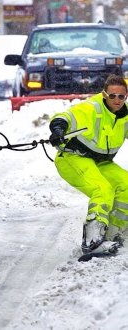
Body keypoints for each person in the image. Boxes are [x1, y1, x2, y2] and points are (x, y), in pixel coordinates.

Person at [49, 74, 128, 254]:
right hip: (73, 157)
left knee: (126, 184)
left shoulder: (125, 115)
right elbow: (65, 117)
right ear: (104, 95)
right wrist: (58, 129)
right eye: (112, 96)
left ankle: (113, 234)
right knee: (102, 189)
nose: (117, 100)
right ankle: (92, 242)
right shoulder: (92, 108)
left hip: (101, 161)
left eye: (121, 96)